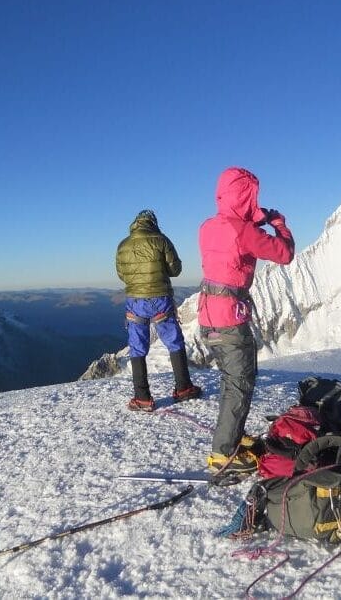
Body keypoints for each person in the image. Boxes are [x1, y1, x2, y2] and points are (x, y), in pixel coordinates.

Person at [198, 167, 294, 471]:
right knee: (239, 384)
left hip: (207, 315)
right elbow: (284, 253)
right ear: (247, 196)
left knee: (231, 381)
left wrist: (254, 217)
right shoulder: (245, 232)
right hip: (230, 319)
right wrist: (278, 224)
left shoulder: (208, 226)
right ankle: (222, 456)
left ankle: (232, 438)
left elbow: (234, 226)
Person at [116, 209, 201, 411]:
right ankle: (183, 388)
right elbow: (175, 270)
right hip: (160, 299)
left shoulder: (123, 245)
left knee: (137, 347)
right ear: (153, 223)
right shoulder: (161, 240)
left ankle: (142, 397)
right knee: (173, 341)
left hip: (135, 301)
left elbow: (122, 275)